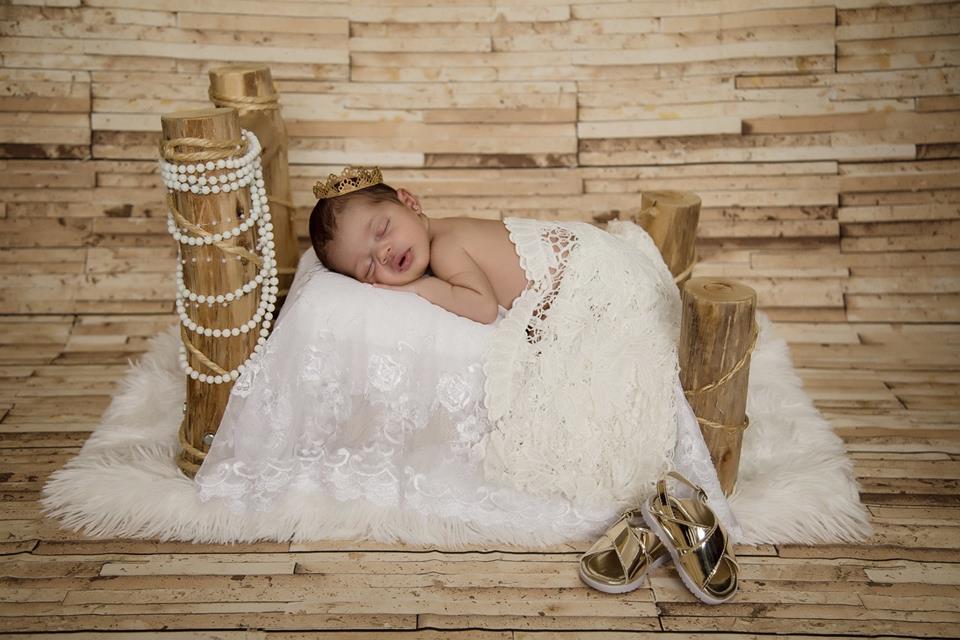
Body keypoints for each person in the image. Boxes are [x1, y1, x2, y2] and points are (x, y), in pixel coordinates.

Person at [308, 169, 531, 325]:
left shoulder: (445, 248)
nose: (383, 253)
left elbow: (484, 309)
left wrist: (423, 287)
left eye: (382, 229)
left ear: (409, 202)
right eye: (368, 267)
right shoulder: (444, 231)